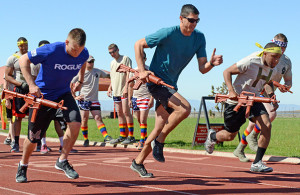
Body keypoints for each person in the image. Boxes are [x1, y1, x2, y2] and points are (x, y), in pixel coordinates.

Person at [130, 4, 223, 178]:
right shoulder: (168, 33)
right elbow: (138, 44)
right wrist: (142, 70)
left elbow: (202, 68)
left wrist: (211, 63)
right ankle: (160, 141)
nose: (194, 24)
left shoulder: (199, 38)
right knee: (184, 108)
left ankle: (138, 162)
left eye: (197, 20)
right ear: (181, 19)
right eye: (191, 20)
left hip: (171, 85)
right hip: (156, 82)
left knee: (158, 127)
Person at [16, 28, 89, 183]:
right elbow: (23, 60)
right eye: (74, 49)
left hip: (63, 94)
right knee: (33, 137)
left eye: (80, 50)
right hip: (43, 97)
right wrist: (31, 84)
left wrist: (80, 81)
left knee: (76, 123)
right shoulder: (51, 49)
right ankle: (23, 165)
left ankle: (62, 160)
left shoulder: (83, 53)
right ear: (67, 42)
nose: (77, 53)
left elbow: (84, 60)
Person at [204, 42, 282, 172]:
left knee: (266, 125)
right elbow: (227, 71)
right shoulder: (250, 61)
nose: (276, 60)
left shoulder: (272, 67)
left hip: (253, 99)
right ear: (265, 53)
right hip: (237, 101)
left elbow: (267, 82)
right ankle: (212, 137)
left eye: (278, 57)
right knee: (230, 135)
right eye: (274, 56)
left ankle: (257, 163)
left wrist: (271, 95)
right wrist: (231, 91)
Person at [233, 33, 292, 162]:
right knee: (270, 115)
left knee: (253, 123)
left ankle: (240, 148)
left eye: (283, 46)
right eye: (277, 45)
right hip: (257, 91)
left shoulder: (286, 62)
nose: (280, 48)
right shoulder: (264, 56)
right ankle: (252, 138)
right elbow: (264, 79)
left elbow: (288, 79)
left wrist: (286, 86)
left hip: (269, 93)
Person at [31, 40, 67, 154]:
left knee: (58, 121)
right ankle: (43, 145)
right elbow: (33, 80)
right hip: (42, 96)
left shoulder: (55, 61)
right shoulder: (35, 64)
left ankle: (63, 145)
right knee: (42, 122)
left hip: (56, 95)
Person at [71, 55, 112, 146]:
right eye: (89, 61)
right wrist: (75, 96)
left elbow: (108, 76)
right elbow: (70, 83)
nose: (91, 63)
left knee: (98, 118)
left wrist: (115, 75)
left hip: (94, 100)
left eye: (92, 61)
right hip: (84, 100)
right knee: (84, 120)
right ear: (85, 63)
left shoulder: (97, 71)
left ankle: (106, 136)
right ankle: (86, 139)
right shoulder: (80, 73)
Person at [4, 37, 31, 153]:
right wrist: (20, 84)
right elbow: (7, 76)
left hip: (32, 89)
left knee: (34, 117)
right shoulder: (13, 58)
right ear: (18, 46)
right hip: (20, 89)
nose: (23, 47)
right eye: (21, 46)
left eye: (25, 45)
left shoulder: (32, 56)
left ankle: (37, 142)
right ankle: (15, 143)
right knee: (18, 118)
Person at [107, 44, 136, 145]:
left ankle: (131, 136)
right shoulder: (112, 63)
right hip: (116, 91)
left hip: (124, 90)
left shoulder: (125, 58)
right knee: (119, 113)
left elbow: (129, 73)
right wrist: (110, 87)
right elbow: (112, 76)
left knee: (126, 112)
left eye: (113, 51)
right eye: (110, 52)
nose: (112, 54)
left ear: (118, 50)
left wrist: (126, 88)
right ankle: (122, 135)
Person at [128, 51, 154, 150]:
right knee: (139, 120)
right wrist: (130, 99)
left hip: (146, 97)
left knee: (143, 120)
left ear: (145, 59)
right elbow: (130, 85)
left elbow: (153, 86)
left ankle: (142, 141)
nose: (140, 60)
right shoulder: (133, 71)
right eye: (139, 58)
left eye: (142, 58)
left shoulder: (149, 70)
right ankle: (144, 137)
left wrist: (152, 99)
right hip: (135, 98)